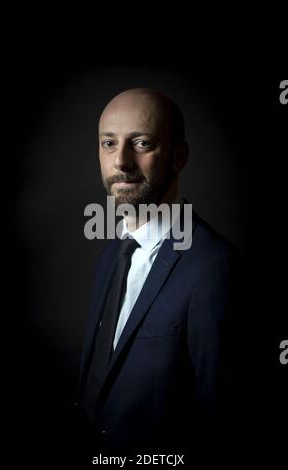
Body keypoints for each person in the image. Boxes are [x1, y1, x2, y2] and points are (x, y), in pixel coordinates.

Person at [75, 88, 245, 452]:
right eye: (108, 143)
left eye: (141, 143)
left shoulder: (215, 269)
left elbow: (225, 424)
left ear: (178, 157)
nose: (120, 161)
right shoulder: (111, 258)